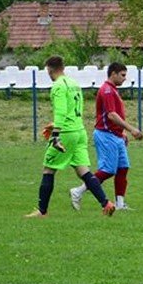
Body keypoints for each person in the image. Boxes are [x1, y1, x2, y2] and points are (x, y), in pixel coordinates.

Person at [24, 55, 115, 217]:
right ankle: (106, 203)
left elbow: (61, 111)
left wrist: (56, 135)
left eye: (47, 71)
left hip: (65, 133)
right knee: (83, 171)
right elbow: (73, 109)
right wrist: (55, 125)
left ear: (50, 69)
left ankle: (41, 211)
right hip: (79, 131)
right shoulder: (74, 84)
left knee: (48, 169)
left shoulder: (58, 86)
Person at [69, 62, 143, 212]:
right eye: (122, 75)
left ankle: (120, 203)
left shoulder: (113, 90)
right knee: (108, 170)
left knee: (123, 168)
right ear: (113, 73)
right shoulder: (107, 90)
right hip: (106, 134)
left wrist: (122, 132)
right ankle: (78, 191)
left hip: (116, 135)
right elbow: (111, 115)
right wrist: (131, 129)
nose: (124, 79)